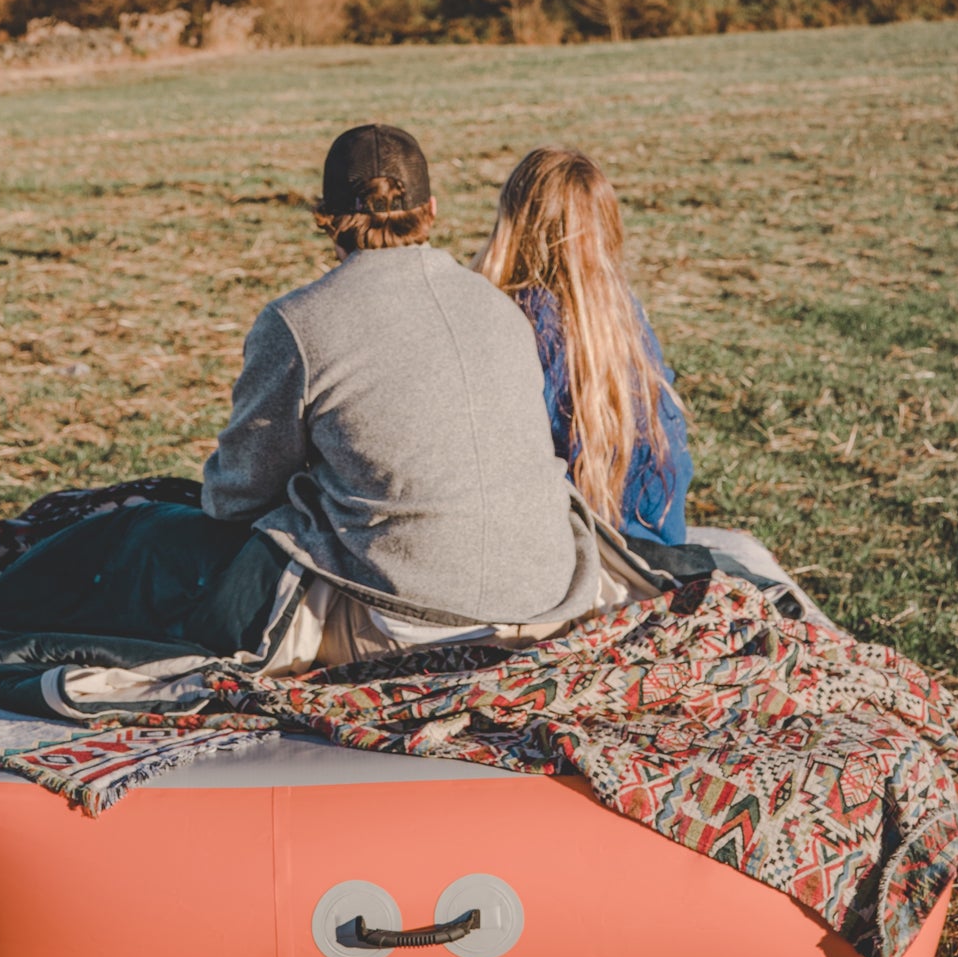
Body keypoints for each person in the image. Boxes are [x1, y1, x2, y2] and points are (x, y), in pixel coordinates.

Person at [200, 122, 600, 635]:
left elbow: (238, 495)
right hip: (551, 595)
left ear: (326, 218)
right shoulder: (499, 306)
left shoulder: (297, 322)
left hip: (408, 612)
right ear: (430, 209)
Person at [476, 147, 692, 545]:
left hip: (565, 548)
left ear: (512, 222)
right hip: (653, 542)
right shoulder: (623, 316)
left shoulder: (510, 320)